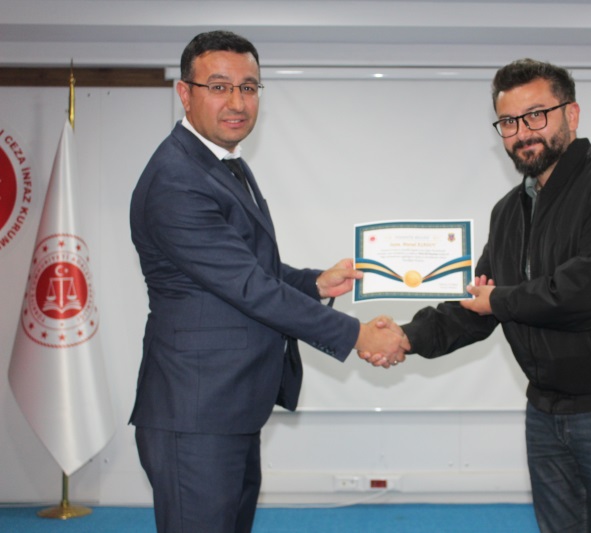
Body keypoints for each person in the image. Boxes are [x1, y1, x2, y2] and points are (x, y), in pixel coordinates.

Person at [372, 59, 591, 532]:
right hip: (545, 411)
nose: (522, 133)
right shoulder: (509, 211)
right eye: (509, 122)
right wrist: (406, 337)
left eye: (536, 115)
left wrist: (498, 301)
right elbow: (477, 303)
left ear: (571, 114)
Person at [129, 30, 405, 533]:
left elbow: (248, 270)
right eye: (219, 87)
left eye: (249, 87)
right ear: (185, 93)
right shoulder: (177, 178)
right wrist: (357, 335)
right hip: (196, 413)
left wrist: (315, 283)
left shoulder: (223, 164)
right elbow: (249, 288)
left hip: (227, 405)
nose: (237, 102)